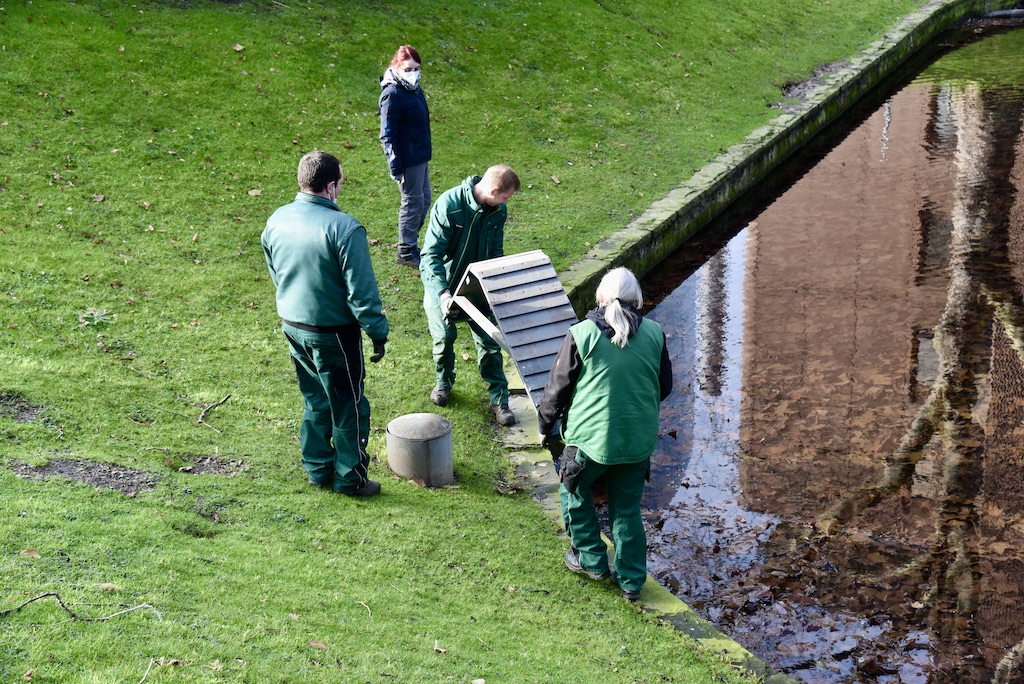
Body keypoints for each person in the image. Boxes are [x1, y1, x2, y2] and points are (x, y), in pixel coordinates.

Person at [536, 267, 673, 600]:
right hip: (637, 441)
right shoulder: (655, 333)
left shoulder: (581, 333)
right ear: (636, 299)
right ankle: (631, 581)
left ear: (600, 297)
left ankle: (591, 560)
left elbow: (558, 390)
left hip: (589, 441)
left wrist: (544, 426)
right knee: (626, 510)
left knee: (575, 492)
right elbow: (664, 386)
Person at [261, 150, 390, 497]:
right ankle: (350, 479)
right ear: (331, 186)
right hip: (333, 332)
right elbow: (362, 294)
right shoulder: (345, 228)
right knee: (348, 404)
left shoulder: (277, 219)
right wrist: (378, 331)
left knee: (315, 397)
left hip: (292, 324)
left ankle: (318, 469)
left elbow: (276, 270)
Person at [419, 164, 520, 426]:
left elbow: (496, 251)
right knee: (444, 337)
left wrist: (498, 286)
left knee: (490, 341)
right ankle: (443, 383)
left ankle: (500, 399)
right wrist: (442, 293)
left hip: (477, 287)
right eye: (506, 196)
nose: (507, 202)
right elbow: (430, 256)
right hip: (444, 287)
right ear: (494, 190)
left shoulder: (498, 211)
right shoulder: (449, 205)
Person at [378, 44, 432, 269]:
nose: (414, 73)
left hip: (420, 156)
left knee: (424, 200)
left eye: (416, 68)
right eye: (408, 69)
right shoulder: (392, 94)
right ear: (397, 67)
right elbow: (387, 134)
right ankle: (406, 250)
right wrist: (395, 167)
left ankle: (410, 244)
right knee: (413, 203)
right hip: (408, 160)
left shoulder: (413, 89)